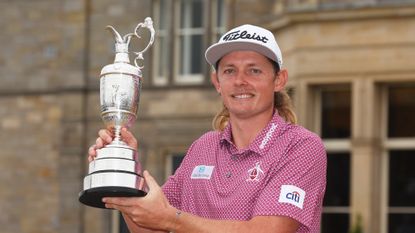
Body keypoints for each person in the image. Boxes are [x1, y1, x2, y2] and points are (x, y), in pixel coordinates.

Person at [89, 24, 327, 233]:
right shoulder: (203, 147)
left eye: (254, 70)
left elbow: (267, 230)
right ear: (217, 83)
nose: (240, 80)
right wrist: (125, 172)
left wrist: (173, 220)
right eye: (229, 70)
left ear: (279, 80)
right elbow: (150, 227)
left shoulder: (301, 146)